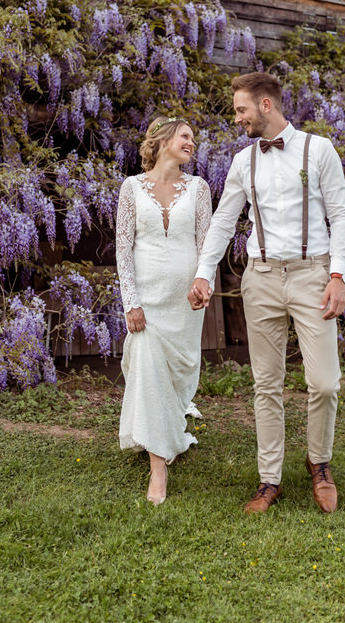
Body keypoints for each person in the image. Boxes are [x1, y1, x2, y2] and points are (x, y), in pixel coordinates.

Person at [188, 72, 345, 514]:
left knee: (324, 382)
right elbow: (225, 220)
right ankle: (269, 480)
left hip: (311, 275)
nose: (237, 117)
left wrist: (337, 276)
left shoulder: (319, 150)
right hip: (259, 278)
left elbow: (342, 216)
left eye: (241, 109)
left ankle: (319, 463)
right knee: (266, 384)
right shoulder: (244, 161)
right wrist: (204, 273)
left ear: (265, 106)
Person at [116, 116, 212, 505]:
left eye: (193, 138)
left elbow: (207, 246)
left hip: (185, 303)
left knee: (176, 376)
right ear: (163, 140)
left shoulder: (200, 188)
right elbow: (123, 249)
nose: (192, 142)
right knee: (148, 361)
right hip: (148, 301)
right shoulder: (131, 188)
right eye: (185, 136)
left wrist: (204, 283)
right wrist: (131, 302)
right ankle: (158, 470)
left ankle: (166, 429)